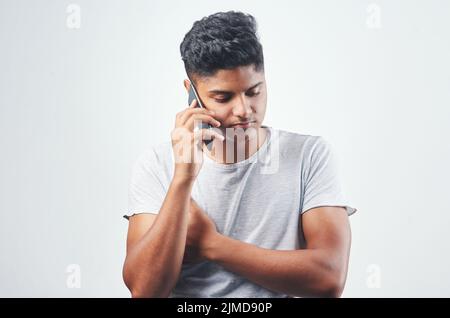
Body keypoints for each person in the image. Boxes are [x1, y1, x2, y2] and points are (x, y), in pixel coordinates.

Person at [122, 11, 357, 298]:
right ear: (191, 93)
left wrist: (212, 244)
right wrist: (182, 179)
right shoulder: (156, 166)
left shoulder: (309, 156)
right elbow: (144, 291)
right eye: (224, 97)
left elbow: (328, 278)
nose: (244, 110)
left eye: (254, 91)